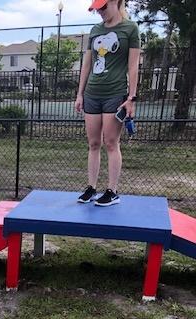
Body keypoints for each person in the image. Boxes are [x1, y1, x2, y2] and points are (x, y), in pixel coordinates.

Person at [75, 0, 140, 206]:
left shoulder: (130, 28)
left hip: (115, 94)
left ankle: (112, 191)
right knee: (93, 144)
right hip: (92, 94)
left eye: (103, 7)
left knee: (111, 143)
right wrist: (80, 94)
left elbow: (133, 66)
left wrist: (131, 98)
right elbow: (86, 65)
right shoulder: (95, 30)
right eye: (97, 9)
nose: (100, 12)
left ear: (116, 2)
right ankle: (91, 188)